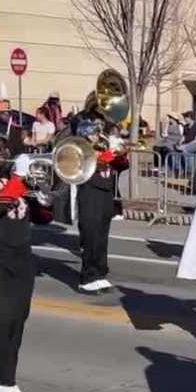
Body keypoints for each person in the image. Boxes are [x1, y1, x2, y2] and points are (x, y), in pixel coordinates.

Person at [0, 126, 54, 392]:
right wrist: (17, 180)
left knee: (18, 318)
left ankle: (6, 379)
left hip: (21, 254)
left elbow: (42, 218)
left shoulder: (15, 178)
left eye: (3, 149)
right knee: (0, 318)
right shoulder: (8, 180)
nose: (0, 153)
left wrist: (43, 194)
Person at [76, 120, 126, 294]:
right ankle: (87, 278)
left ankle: (99, 273)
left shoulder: (101, 148)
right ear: (86, 134)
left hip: (105, 194)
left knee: (102, 238)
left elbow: (122, 165)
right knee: (91, 237)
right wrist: (110, 152)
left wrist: (120, 151)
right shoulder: (79, 150)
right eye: (95, 133)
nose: (98, 135)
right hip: (90, 195)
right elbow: (92, 165)